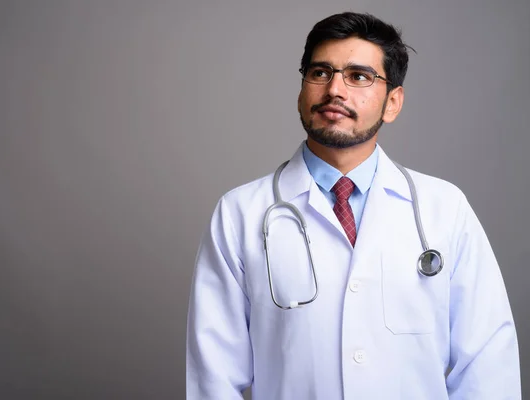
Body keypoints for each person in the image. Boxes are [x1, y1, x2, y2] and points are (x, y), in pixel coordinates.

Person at [186, 11, 520, 399]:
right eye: (321, 73)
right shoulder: (240, 214)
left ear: (392, 102)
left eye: (359, 76)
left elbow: (487, 364)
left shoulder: (444, 209)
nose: (335, 91)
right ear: (301, 91)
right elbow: (214, 377)